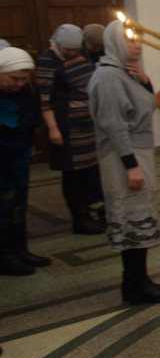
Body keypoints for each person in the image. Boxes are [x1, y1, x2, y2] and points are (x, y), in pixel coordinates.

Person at [88, 21, 160, 304]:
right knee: (130, 220)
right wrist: (131, 165)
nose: (138, 45)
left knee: (138, 218)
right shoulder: (108, 76)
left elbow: (145, 108)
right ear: (114, 42)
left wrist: (145, 82)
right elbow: (114, 125)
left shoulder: (125, 72)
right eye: (130, 40)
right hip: (122, 156)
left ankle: (139, 280)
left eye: (139, 40)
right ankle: (134, 284)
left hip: (137, 153)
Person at [35, 24, 105, 235]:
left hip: (86, 126)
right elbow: (44, 99)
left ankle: (92, 211)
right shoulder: (47, 60)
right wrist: (53, 129)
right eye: (69, 50)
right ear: (58, 44)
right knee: (73, 175)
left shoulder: (81, 52)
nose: (74, 53)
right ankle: (80, 219)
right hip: (66, 126)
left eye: (76, 49)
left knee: (89, 171)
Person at [0, 47, 50, 276]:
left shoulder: (28, 89)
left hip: (18, 157)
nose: (19, 83)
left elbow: (33, 118)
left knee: (18, 204)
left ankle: (21, 250)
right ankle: (5, 257)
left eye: (24, 78)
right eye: (13, 78)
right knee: (2, 207)